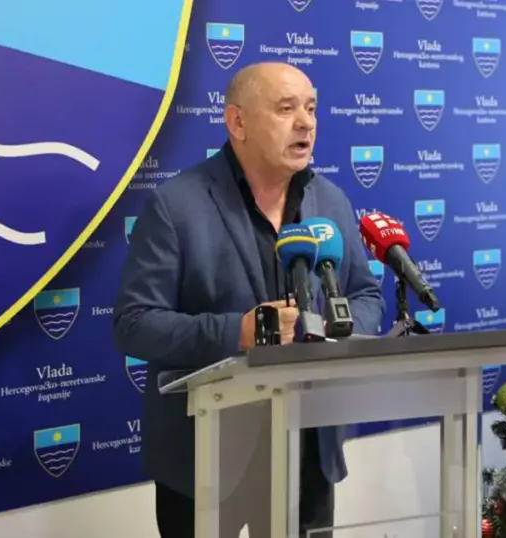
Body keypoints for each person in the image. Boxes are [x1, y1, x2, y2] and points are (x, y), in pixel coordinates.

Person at [113, 62, 385, 538]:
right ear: (237, 122)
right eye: (286, 109)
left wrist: (335, 328)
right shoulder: (177, 205)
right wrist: (237, 332)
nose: (305, 123)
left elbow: (365, 294)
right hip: (205, 457)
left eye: (311, 108)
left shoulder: (330, 201)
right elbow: (134, 323)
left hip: (307, 450)